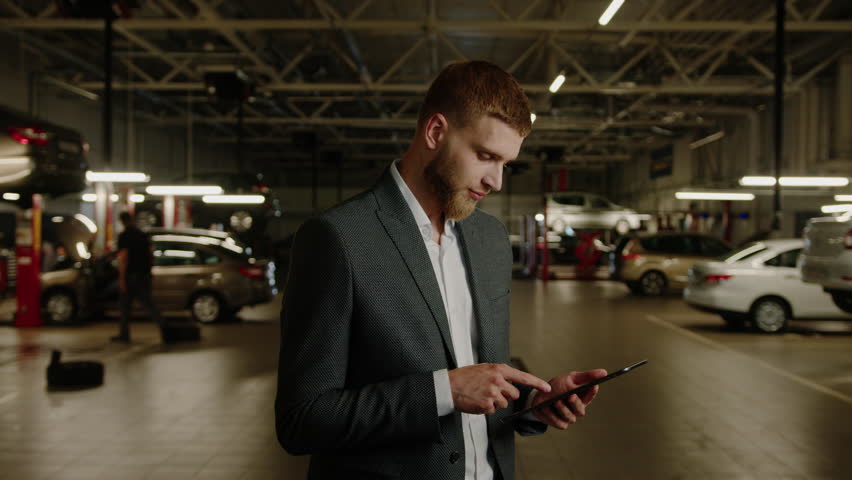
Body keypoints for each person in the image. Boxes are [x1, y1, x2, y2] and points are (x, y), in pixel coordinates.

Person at [275, 60, 608, 480]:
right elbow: (301, 420)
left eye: (506, 163)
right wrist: (443, 392)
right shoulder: (338, 239)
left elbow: (479, 371)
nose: (497, 181)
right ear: (435, 132)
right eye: (486, 156)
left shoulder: (490, 240)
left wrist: (534, 399)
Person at [112, 211, 162, 342]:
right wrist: (150, 272)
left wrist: (122, 279)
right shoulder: (142, 235)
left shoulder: (124, 236)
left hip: (130, 275)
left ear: (122, 221)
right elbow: (151, 255)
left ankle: (124, 334)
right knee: (148, 304)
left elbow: (123, 258)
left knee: (124, 306)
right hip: (144, 274)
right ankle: (165, 328)